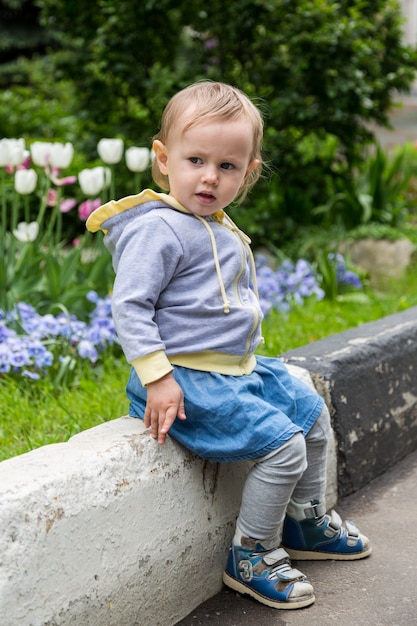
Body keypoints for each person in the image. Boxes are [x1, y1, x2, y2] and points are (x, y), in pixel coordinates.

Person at [86, 81, 371, 610]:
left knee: (310, 413)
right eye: (196, 159)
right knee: (282, 447)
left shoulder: (214, 225)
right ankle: (252, 553)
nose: (210, 177)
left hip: (231, 371)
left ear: (249, 172)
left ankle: (304, 523)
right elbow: (129, 308)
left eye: (228, 166)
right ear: (164, 159)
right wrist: (157, 377)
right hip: (185, 379)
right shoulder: (160, 230)